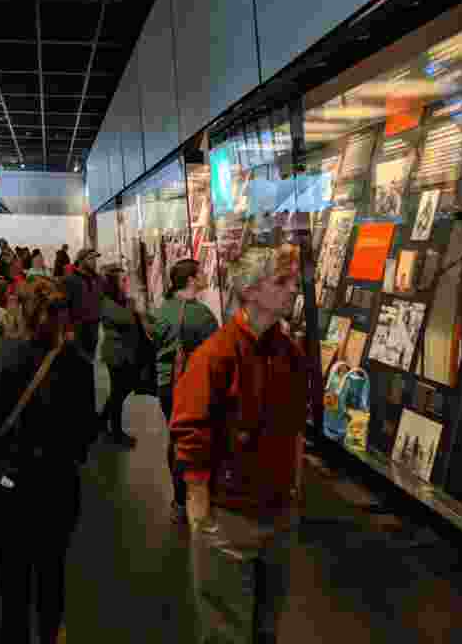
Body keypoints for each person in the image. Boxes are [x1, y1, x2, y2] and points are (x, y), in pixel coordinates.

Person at [171, 244, 307, 644]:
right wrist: (199, 503)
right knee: (225, 630)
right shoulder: (217, 354)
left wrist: (294, 489)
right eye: (281, 282)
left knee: (267, 628)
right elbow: (189, 425)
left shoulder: (290, 354)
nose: (292, 289)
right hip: (228, 515)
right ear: (250, 291)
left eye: (292, 281)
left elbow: (294, 426)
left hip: (278, 513)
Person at [0, 277, 96, 644]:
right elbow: (84, 435)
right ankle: (50, 633)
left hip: (8, 487)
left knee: (12, 580)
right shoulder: (77, 363)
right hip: (58, 486)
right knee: (52, 573)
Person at [150, 259, 219, 524]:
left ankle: (179, 498)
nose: (205, 275)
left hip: (166, 386)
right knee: (194, 444)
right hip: (192, 389)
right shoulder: (201, 315)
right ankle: (194, 498)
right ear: (191, 280)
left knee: (176, 439)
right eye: (201, 272)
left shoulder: (162, 309)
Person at [99, 265, 142, 448]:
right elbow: (126, 318)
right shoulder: (107, 302)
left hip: (123, 354)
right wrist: (132, 306)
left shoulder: (119, 300)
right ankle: (115, 434)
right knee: (118, 393)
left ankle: (102, 421)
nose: (127, 283)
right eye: (123, 280)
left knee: (121, 391)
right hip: (116, 355)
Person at [63, 248, 101, 359]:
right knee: (78, 361)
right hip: (77, 328)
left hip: (94, 326)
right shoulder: (70, 280)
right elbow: (65, 307)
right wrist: (69, 329)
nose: (94, 262)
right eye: (90, 259)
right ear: (81, 261)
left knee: (91, 361)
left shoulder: (97, 279)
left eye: (95, 259)